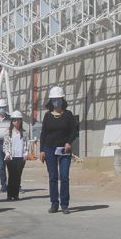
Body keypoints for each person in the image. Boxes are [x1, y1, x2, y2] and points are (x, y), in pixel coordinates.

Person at [39, 86, 78, 214]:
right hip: (49, 149)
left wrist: (68, 142)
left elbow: (74, 131)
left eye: (58, 99)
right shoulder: (47, 116)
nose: (56, 102)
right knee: (53, 177)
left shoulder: (68, 115)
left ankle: (65, 204)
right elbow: (43, 134)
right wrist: (42, 150)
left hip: (64, 150)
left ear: (62, 100)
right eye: (54, 100)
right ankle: (54, 203)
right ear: (51, 101)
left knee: (64, 176)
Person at [3, 110, 28, 201]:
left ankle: (16, 195)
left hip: (20, 157)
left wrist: (25, 154)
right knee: (11, 176)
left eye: (18, 120)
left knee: (18, 176)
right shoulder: (8, 132)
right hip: (11, 158)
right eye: (14, 120)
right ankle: (10, 195)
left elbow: (26, 144)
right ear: (12, 121)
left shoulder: (24, 133)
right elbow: (5, 145)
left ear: (21, 121)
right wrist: (7, 154)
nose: (16, 122)